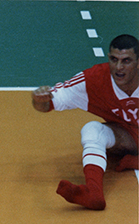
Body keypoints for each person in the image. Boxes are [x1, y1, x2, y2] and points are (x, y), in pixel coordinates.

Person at [32, 34, 138, 210]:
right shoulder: (94, 79)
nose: (118, 67)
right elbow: (49, 103)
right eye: (114, 59)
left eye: (126, 61)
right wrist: (39, 99)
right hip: (127, 137)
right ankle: (93, 194)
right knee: (92, 130)